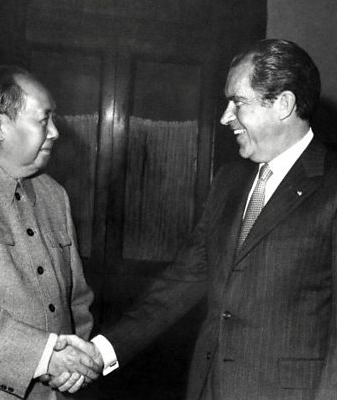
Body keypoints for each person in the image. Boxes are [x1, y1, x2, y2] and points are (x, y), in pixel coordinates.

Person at [50, 38, 337, 399]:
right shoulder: (229, 181)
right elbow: (181, 283)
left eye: (238, 102)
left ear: (283, 104)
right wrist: (100, 353)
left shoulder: (331, 185)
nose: (225, 117)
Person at [0, 65, 115, 399]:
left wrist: (74, 365)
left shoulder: (54, 195)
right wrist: (43, 357)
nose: (55, 132)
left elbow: (76, 301)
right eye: (43, 120)